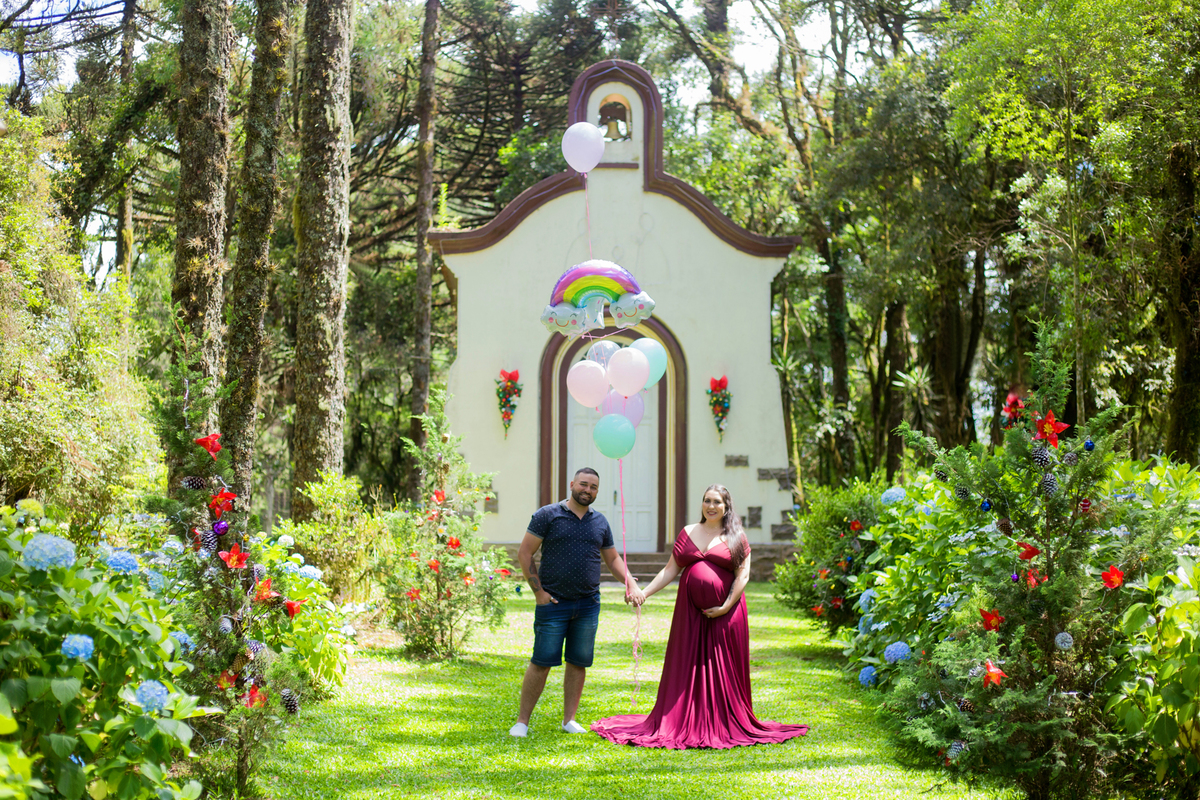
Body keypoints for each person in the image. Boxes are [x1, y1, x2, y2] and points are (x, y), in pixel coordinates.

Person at [590, 484, 809, 749]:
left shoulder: (736, 535)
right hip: (689, 614)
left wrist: (725, 606)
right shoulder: (688, 532)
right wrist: (644, 593)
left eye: (717, 501)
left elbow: (743, 575)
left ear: (726, 506)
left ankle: (722, 720)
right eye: (707, 500)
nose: (711, 506)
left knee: (723, 670)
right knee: (687, 664)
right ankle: (686, 717)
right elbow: (670, 570)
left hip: (726, 615)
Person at [509, 467, 644, 737]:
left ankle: (569, 720)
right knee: (541, 661)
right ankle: (522, 722)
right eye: (583, 484)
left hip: (588, 604)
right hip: (553, 604)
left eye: (593, 487)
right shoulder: (548, 515)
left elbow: (613, 559)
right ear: (572, 484)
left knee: (578, 662)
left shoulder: (600, 522)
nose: (588, 490)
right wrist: (539, 594)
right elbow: (525, 552)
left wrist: (630, 582)